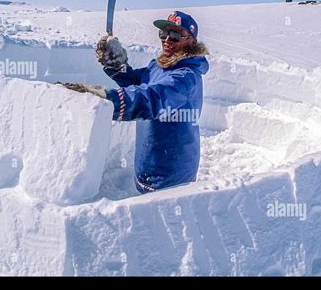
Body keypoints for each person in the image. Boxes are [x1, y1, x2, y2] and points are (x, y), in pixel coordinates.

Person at [57, 11, 209, 193]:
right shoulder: (159, 65)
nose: (167, 40)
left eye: (175, 35)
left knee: (162, 217)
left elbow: (151, 97)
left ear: (191, 41)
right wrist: (116, 64)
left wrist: (105, 98)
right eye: (164, 34)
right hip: (149, 156)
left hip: (172, 169)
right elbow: (137, 82)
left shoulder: (185, 77)